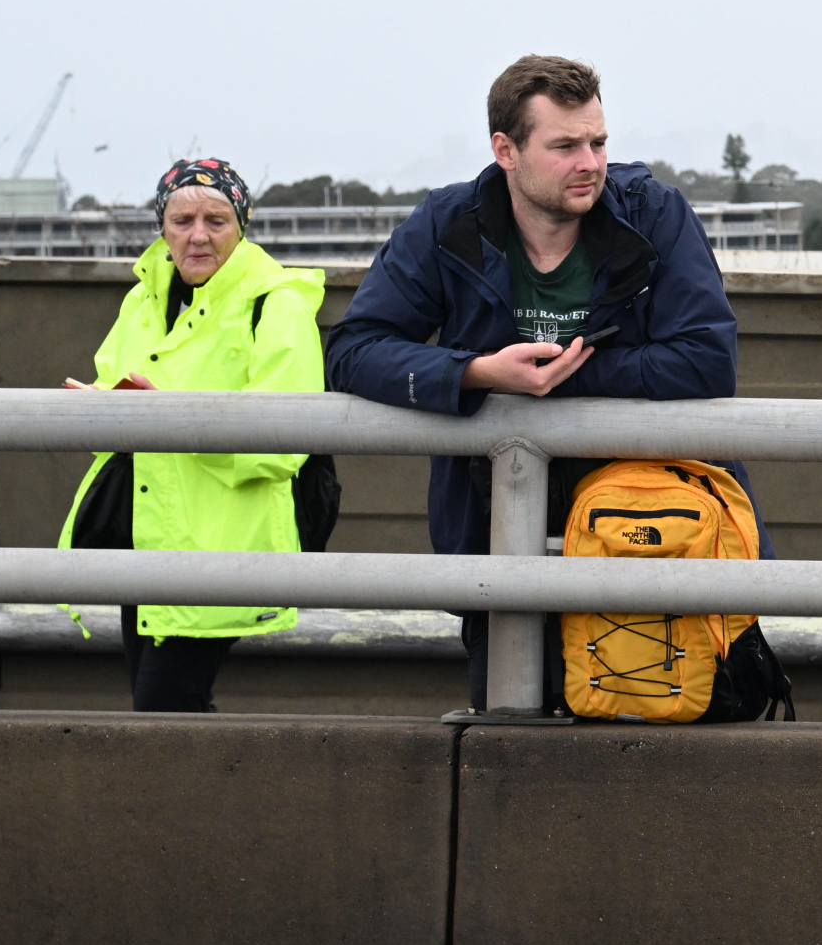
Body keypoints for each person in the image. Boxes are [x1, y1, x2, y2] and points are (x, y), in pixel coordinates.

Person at [328, 55, 750, 712]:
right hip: (495, 528)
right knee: (511, 744)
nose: (590, 163)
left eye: (599, 142)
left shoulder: (654, 212)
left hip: (650, 534)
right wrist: (476, 373)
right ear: (507, 150)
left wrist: (558, 375)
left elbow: (707, 358)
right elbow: (354, 350)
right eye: (565, 146)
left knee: (657, 745)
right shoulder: (447, 224)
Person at [56, 159, 326, 712]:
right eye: (181, 220)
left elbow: (285, 442)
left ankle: (197, 799)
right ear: (162, 228)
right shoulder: (141, 300)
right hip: (145, 536)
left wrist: (169, 419)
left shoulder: (276, 305)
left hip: (222, 543)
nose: (197, 235)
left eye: (216, 219)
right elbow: (118, 387)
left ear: (242, 225)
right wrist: (102, 409)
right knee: (163, 708)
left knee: (164, 703)